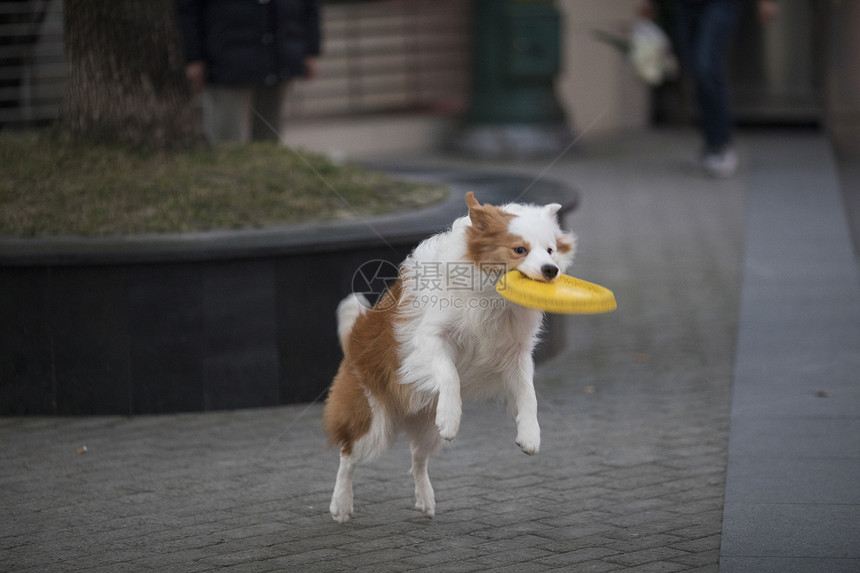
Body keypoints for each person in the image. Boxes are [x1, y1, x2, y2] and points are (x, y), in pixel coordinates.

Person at [642, 0, 779, 177]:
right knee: (695, 70)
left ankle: (721, 146)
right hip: (685, 5)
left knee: (705, 66)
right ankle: (711, 145)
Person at [176, 0, 321, 143]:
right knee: (227, 142)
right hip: (227, 59)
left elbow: (311, 6)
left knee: (269, 144)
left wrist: (311, 49)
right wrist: (193, 56)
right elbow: (188, 8)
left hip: (278, 55)